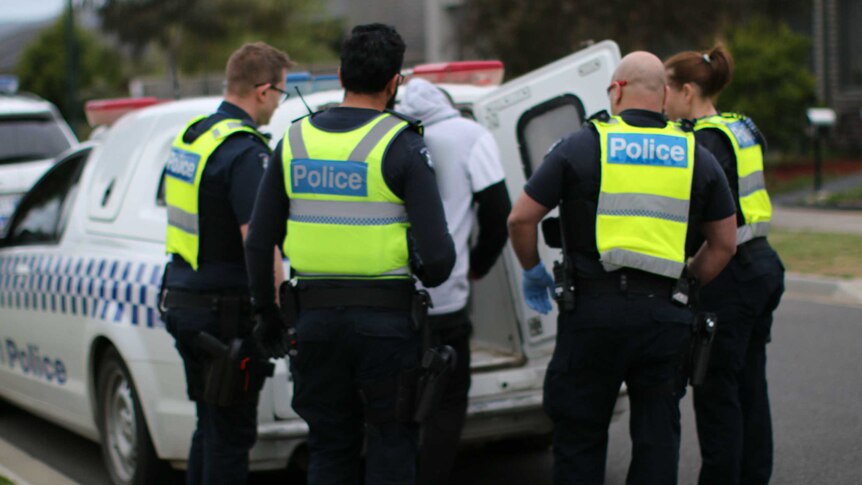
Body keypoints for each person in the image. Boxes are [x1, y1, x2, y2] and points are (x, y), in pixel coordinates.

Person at [507, 51, 739, 485]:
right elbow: (724, 243)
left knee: (579, 435)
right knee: (657, 436)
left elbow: (520, 218)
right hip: (664, 315)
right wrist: (686, 284)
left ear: (616, 90)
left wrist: (532, 268)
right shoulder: (696, 154)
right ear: (665, 93)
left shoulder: (581, 144)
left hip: (593, 313)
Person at [244, 24, 456, 484]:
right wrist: (417, 260)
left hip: (314, 326)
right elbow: (439, 261)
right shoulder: (403, 145)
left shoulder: (293, 142)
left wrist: (266, 313)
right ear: (394, 82)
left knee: (330, 447)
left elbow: (259, 242)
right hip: (385, 329)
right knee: (391, 444)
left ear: (340, 73)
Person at [160, 42, 293, 484]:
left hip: (183, 302)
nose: (279, 103)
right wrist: (272, 312)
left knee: (211, 425)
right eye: (281, 93)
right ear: (262, 90)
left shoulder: (193, 135)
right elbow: (258, 243)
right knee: (232, 436)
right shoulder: (246, 151)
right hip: (226, 317)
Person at [664, 45, 785, 485]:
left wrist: (684, 275)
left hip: (730, 274)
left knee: (717, 393)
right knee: (751, 384)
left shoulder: (703, 140)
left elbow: (700, 220)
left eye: (666, 89)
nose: (661, 98)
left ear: (688, 91)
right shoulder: (738, 127)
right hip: (762, 264)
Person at [399, 77, 512, 484]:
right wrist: (478, 264)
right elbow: (499, 213)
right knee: (447, 400)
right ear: (446, 103)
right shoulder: (470, 135)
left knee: (397, 401)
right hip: (446, 298)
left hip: (392, 295)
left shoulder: (390, 136)